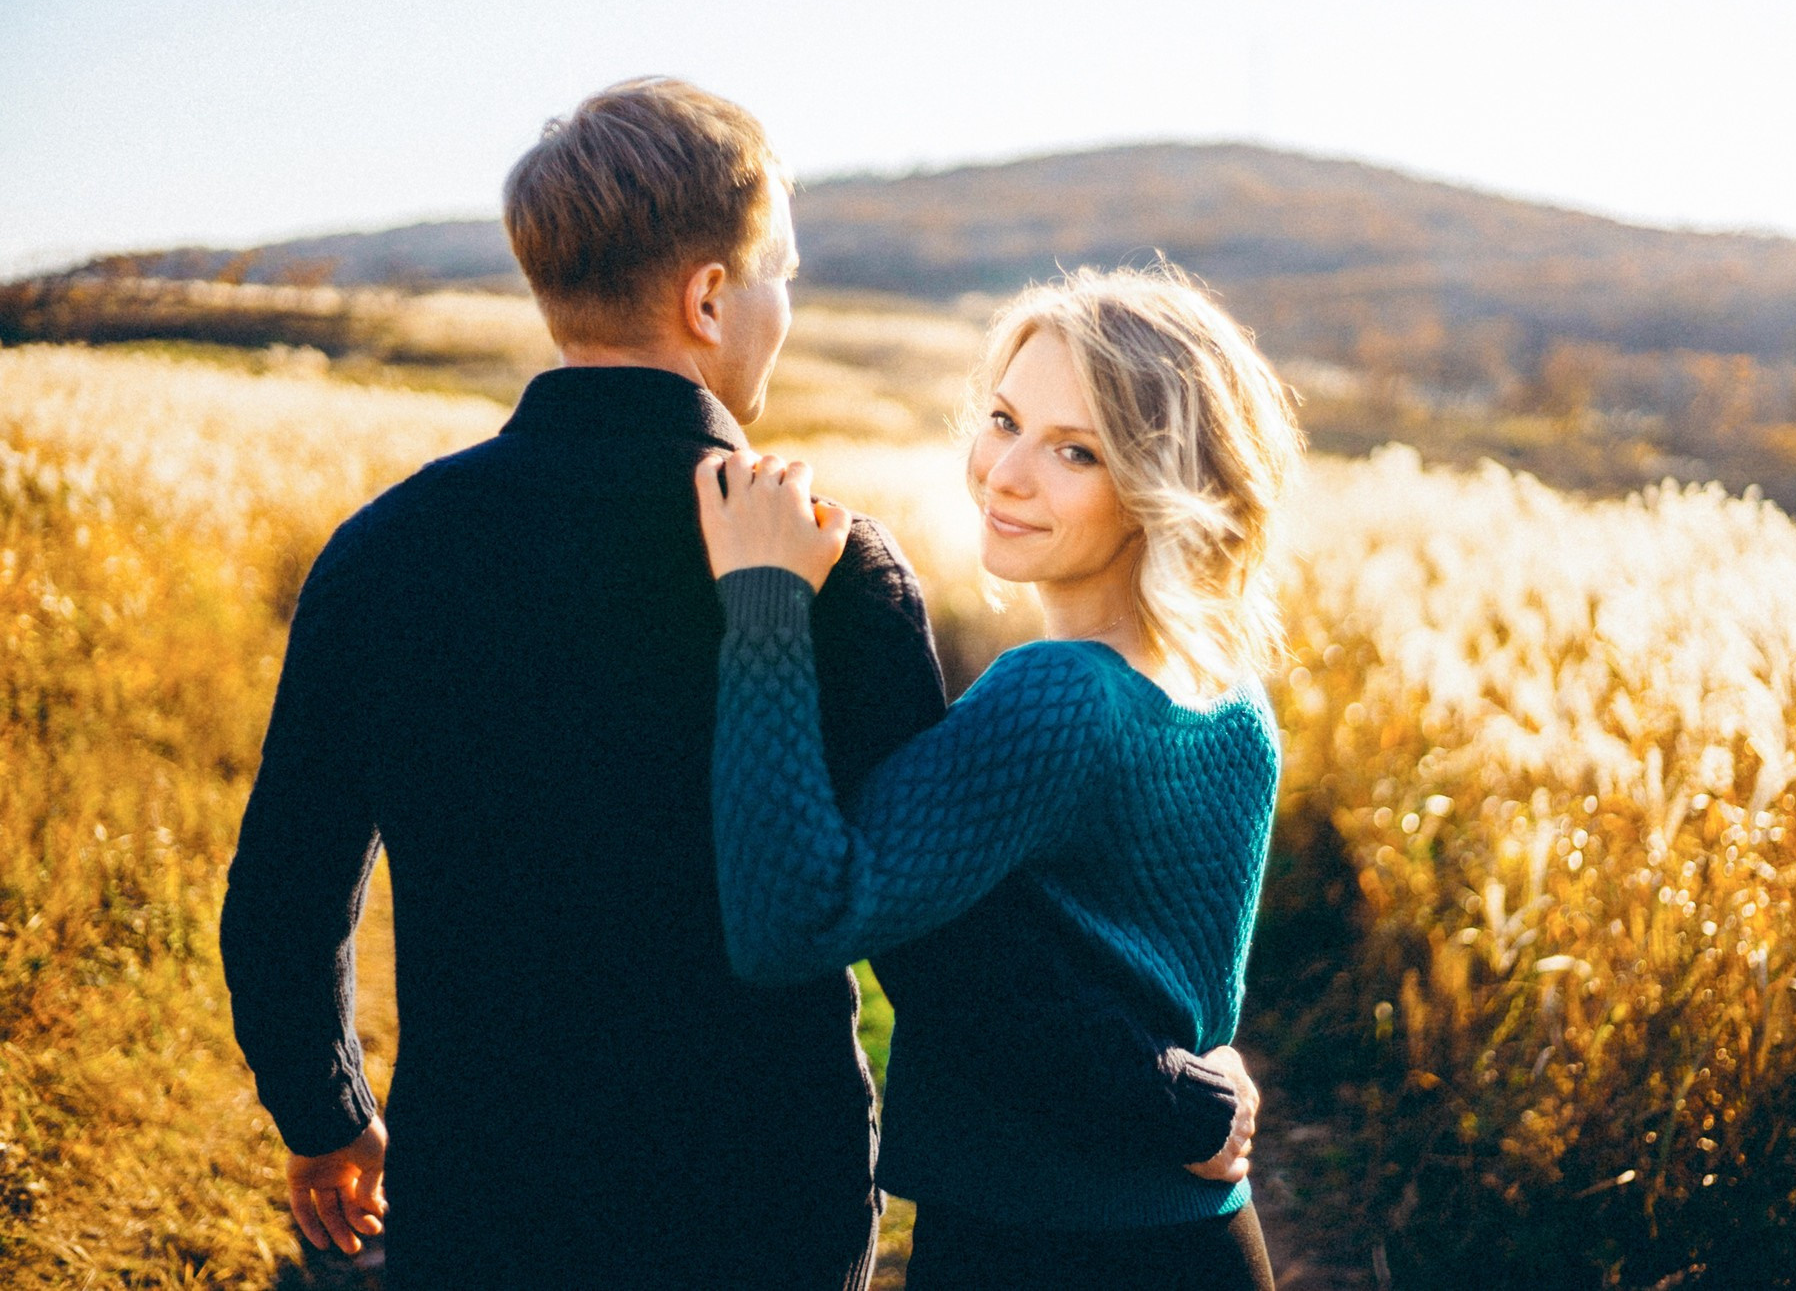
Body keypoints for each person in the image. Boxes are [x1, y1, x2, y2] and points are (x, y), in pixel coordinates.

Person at [219, 79, 1256, 1289]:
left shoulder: (381, 555)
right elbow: (944, 943)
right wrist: (1174, 1097)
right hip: (764, 1192)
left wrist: (325, 1111)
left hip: (485, 1187)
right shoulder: (830, 561)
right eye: (784, 276)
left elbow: (283, 894)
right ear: (710, 296)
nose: (785, 309)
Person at [696, 263, 1300, 1289]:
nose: (1006, 472)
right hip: (1202, 1239)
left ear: (1165, 488)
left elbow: (795, 915)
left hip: (1049, 1246)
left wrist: (761, 605)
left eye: (1076, 450)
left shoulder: (1057, 692)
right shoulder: (1233, 698)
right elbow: (1184, 1002)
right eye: (1002, 418)